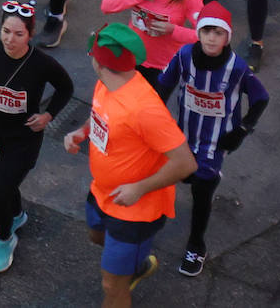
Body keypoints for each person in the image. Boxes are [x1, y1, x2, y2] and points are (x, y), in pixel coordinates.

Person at [63, 25, 197, 306]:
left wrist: (139, 188)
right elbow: (100, 115)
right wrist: (81, 132)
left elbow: (185, 163)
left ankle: (130, 269)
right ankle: (136, 263)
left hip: (134, 209)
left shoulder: (145, 109)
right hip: (102, 192)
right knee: (96, 235)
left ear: (98, 62)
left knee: (111, 286)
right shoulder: (106, 83)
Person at [0, 0, 74, 273]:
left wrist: (48, 116)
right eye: (5, 31)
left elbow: (66, 88)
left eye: (19, 34)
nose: (10, 39)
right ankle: (17, 215)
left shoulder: (41, 63)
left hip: (23, 140)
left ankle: (6, 239)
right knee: (2, 185)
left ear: (30, 35)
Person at [156, 1, 269, 277]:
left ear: (227, 37)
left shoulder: (238, 68)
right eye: (206, 31)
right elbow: (162, 87)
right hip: (182, 136)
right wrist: (156, 121)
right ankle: (143, 224)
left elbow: (260, 98)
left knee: (202, 189)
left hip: (215, 142)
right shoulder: (183, 56)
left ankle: (196, 245)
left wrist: (241, 131)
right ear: (198, 32)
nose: (211, 37)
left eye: (219, 33)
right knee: (165, 177)